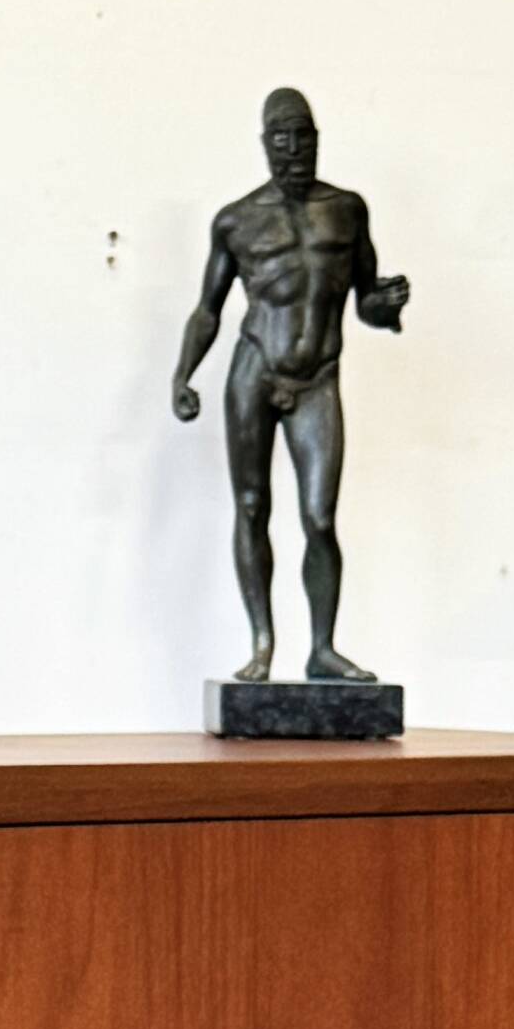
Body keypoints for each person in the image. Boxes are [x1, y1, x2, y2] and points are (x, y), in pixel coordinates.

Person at [172, 91, 409, 684]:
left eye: (305, 137)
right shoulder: (237, 220)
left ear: (318, 140)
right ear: (264, 146)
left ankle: (322, 649)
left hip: (318, 376)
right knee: (252, 507)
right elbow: (208, 310)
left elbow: (366, 302)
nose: (295, 150)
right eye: (282, 140)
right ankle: (262, 644)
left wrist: (387, 304)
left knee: (319, 517)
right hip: (254, 370)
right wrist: (183, 374)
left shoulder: (347, 211)